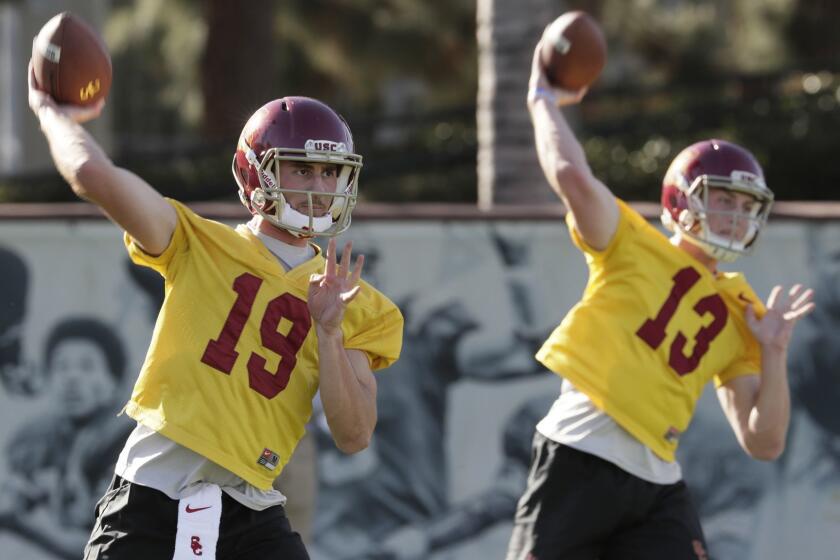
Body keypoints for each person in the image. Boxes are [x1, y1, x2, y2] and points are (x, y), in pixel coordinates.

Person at [28, 60, 403, 560]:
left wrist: (330, 332)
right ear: (257, 171)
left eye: (331, 172)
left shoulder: (354, 300)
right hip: (151, 492)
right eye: (302, 168)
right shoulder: (198, 243)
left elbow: (354, 435)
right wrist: (52, 113)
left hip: (250, 508)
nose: (319, 187)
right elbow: (92, 174)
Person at [505, 38, 816, 560]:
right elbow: (571, 176)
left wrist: (775, 353)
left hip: (656, 480)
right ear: (680, 199)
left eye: (745, 204)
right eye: (722, 198)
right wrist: (542, 98)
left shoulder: (745, 311)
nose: (735, 214)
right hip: (580, 451)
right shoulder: (632, 243)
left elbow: (764, 442)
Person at [0, 316, 133, 559]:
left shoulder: (129, 443)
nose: (72, 378)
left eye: (87, 366)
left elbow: (107, 545)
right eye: (61, 366)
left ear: (115, 381)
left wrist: (23, 521)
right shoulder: (31, 441)